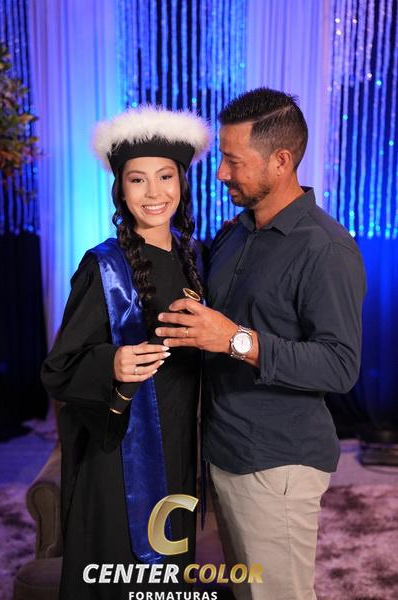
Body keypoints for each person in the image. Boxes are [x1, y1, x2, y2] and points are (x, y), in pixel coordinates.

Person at [155, 88, 366, 600]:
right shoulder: (236, 232)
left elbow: (340, 366)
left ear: (281, 161)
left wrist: (235, 339)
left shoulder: (327, 249)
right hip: (225, 451)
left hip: (278, 465)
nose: (220, 173)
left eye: (233, 161)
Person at [41, 105, 210, 599]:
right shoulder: (103, 268)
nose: (154, 193)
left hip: (181, 445)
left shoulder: (196, 256)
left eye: (165, 176)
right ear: (121, 189)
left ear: (182, 182)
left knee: (171, 572)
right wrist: (111, 362)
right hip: (121, 457)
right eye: (138, 180)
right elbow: (58, 369)